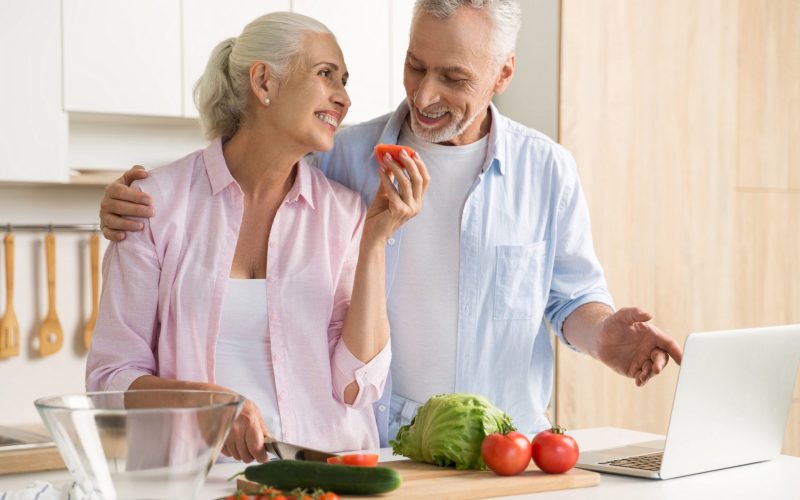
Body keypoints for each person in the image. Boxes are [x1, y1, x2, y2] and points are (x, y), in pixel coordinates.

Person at [98, 0, 682, 448]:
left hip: (505, 449)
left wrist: (605, 336)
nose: (425, 93)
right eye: (414, 65)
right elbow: (243, 164)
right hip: (383, 450)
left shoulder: (546, 169)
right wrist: (127, 201)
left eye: (453, 78)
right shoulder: (338, 159)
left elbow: (571, 299)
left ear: (502, 75)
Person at [86, 11, 429, 463]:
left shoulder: (344, 213)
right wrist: (207, 403)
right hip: (195, 483)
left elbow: (356, 386)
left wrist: (374, 242)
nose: (343, 98)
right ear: (264, 82)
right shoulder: (153, 205)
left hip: (323, 480)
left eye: (344, 81)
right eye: (326, 74)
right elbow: (110, 380)